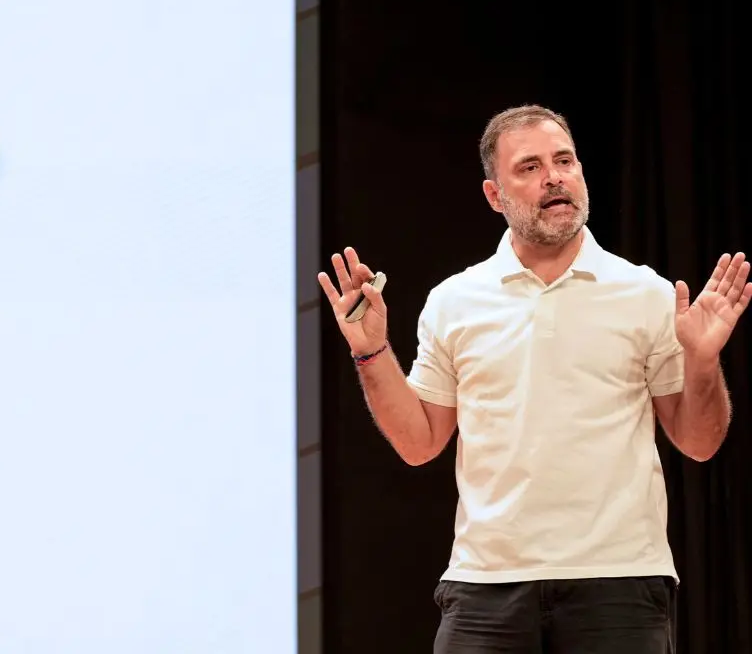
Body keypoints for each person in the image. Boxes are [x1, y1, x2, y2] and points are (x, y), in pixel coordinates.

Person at [317, 105, 751, 653]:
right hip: (485, 587)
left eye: (564, 161)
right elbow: (419, 443)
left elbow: (699, 441)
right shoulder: (455, 300)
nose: (554, 177)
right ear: (494, 195)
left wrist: (703, 362)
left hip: (618, 582)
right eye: (530, 167)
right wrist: (371, 350)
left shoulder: (645, 293)